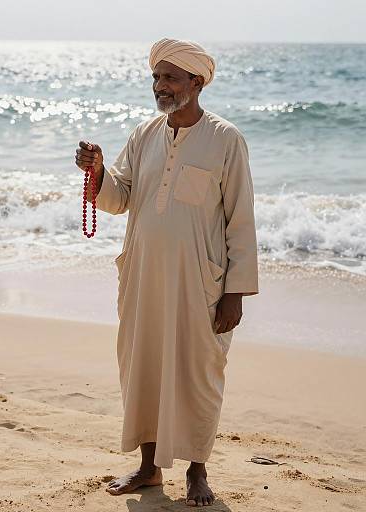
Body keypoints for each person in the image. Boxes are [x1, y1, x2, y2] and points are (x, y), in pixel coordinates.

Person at [74, 37, 259, 507]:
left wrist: (235, 291)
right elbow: (119, 197)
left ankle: (198, 471)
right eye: (157, 77)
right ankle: (148, 467)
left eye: (170, 77)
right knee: (143, 366)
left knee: (200, 373)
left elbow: (240, 218)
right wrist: (97, 172)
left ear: (197, 83)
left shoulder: (226, 139)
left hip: (201, 282)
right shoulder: (143, 134)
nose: (160, 86)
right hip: (142, 276)